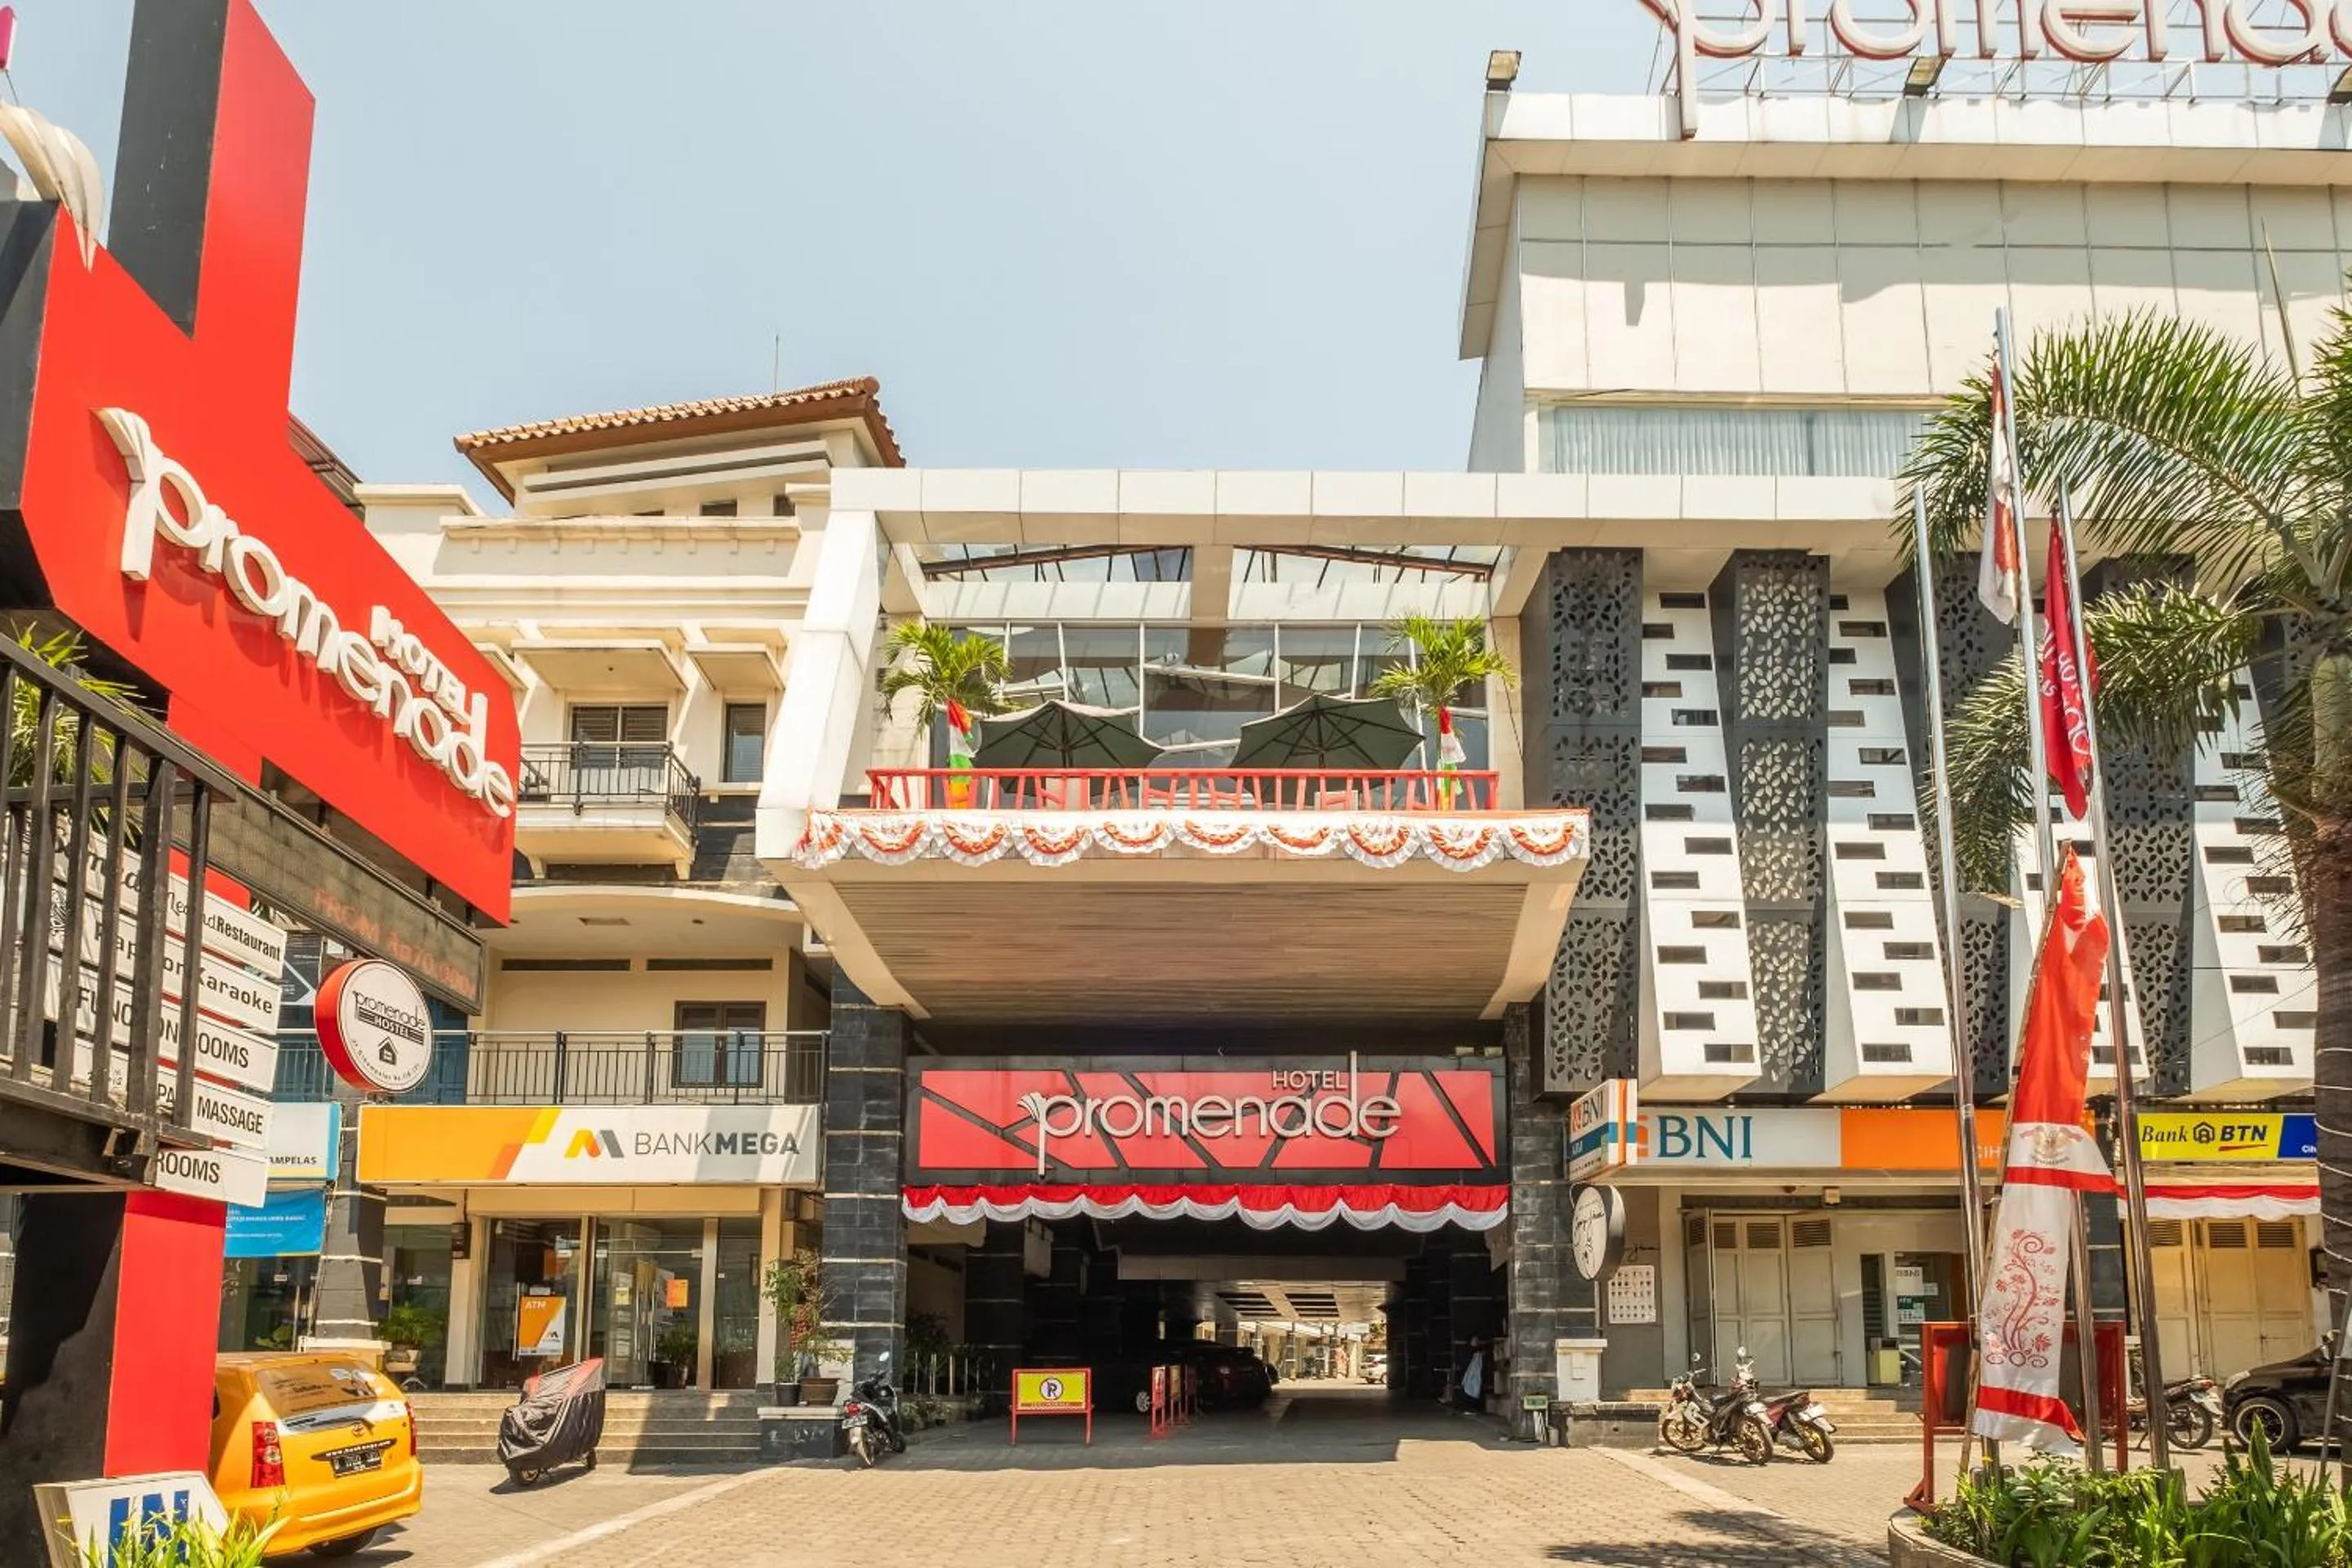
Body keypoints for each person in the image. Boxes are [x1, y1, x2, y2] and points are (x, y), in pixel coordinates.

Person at [1457, 1337, 1486, 1414]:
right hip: (1467, 1374)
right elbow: (1463, 1362)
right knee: (1467, 1390)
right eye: (1474, 1340)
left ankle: (1474, 1407)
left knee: (1476, 1390)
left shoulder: (1480, 1350)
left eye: (1477, 1340)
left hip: (1476, 1375)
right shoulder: (1466, 1351)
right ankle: (1467, 1407)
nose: (1476, 1342)